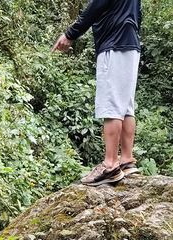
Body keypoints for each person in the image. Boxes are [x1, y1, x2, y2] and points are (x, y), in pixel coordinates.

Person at [51, 0, 143, 187]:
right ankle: (126, 160)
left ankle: (109, 166)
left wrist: (70, 34)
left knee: (112, 106)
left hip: (113, 43)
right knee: (126, 106)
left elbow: (96, 6)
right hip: (130, 43)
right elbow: (138, 13)